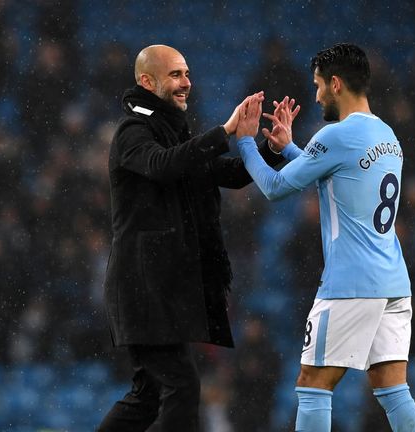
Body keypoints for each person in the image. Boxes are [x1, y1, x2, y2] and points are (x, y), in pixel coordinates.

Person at [235, 43, 415, 432]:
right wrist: (289, 147)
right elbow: (337, 174)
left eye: (319, 85)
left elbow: (272, 187)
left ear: (336, 83)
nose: (317, 94)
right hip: (393, 281)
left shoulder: (335, 134)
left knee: (313, 385)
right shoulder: (386, 134)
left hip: (350, 283)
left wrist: (244, 140)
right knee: (393, 390)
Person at [97, 44, 283, 432]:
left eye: (187, 73)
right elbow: (162, 166)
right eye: (176, 75)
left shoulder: (170, 132)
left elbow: (230, 174)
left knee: (147, 395)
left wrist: (271, 148)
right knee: (182, 385)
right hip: (141, 285)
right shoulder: (133, 131)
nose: (187, 83)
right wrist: (227, 130)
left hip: (155, 285)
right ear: (147, 82)